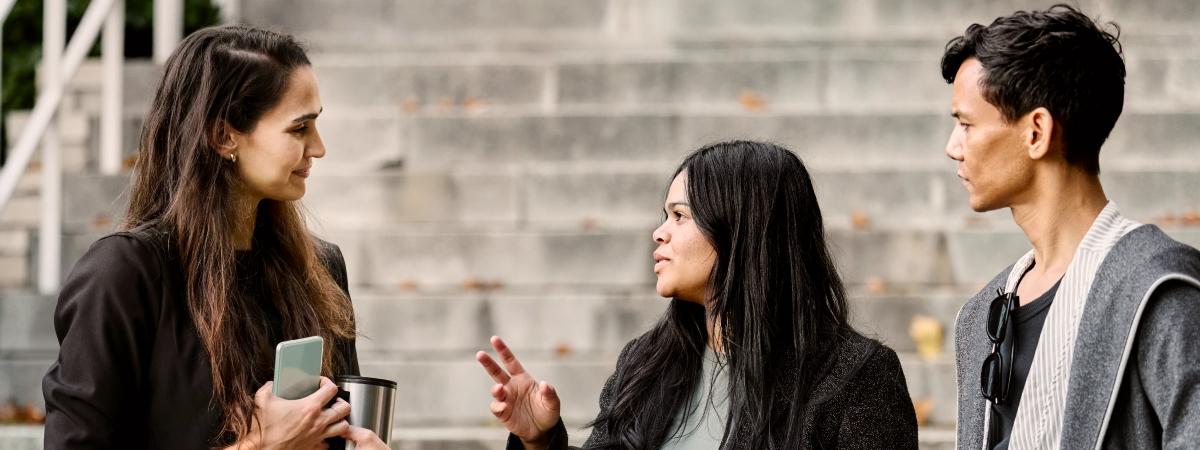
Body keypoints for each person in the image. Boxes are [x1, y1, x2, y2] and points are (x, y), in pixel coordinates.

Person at [41, 25, 387, 449]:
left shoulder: (320, 268)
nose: (318, 147)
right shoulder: (123, 275)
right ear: (224, 136)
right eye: (300, 128)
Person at [477, 141, 918, 449]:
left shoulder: (854, 377)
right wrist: (539, 440)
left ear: (743, 230)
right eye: (664, 216)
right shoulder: (645, 363)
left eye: (679, 216)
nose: (659, 232)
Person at [941, 5, 1200, 449]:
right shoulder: (980, 317)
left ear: (1036, 132)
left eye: (966, 124)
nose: (953, 148)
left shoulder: (1158, 290)